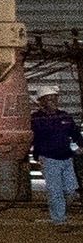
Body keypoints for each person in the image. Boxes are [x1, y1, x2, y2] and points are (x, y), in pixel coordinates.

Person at [34, 93, 78, 228]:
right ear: (42, 102)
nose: (53, 102)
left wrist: (81, 145)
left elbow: (75, 133)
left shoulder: (64, 116)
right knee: (55, 191)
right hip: (49, 159)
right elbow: (33, 137)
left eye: (54, 99)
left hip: (66, 158)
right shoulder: (36, 119)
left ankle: (60, 214)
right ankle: (59, 220)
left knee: (71, 190)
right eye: (49, 99)